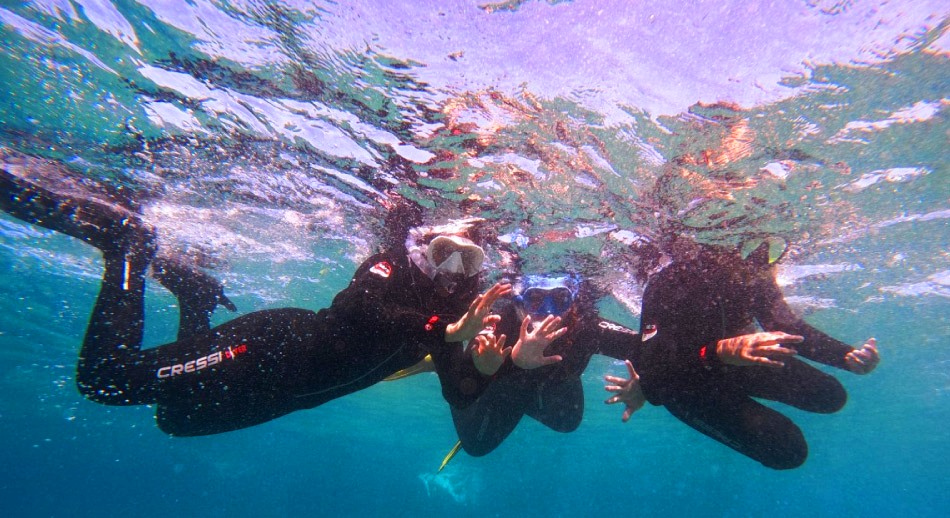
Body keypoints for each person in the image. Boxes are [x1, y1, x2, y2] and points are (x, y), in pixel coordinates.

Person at [0, 151, 510, 436]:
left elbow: (457, 392)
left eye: (468, 261)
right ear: (425, 242)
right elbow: (360, 308)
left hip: (281, 395)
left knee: (175, 417)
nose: (451, 268)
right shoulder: (391, 264)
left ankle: (193, 297)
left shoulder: (455, 316)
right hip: (268, 350)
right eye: (446, 249)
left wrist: (483, 371)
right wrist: (439, 329)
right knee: (106, 382)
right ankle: (125, 243)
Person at [605, 234, 879, 469]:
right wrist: (718, 351)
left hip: (737, 362)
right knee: (788, 451)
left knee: (830, 396)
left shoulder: (752, 277)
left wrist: (845, 355)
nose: (768, 264)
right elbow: (656, 378)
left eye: (770, 253)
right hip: (686, 385)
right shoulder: (669, 283)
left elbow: (787, 327)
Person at [448, 273, 642, 457]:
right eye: (534, 298)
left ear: (573, 303)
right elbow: (461, 383)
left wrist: (644, 384)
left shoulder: (588, 329)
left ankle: (526, 397)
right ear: (519, 303)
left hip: (553, 383)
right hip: (503, 393)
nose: (548, 311)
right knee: (476, 446)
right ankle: (510, 401)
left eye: (560, 299)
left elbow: (646, 349)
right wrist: (487, 367)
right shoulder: (501, 323)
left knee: (567, 423)